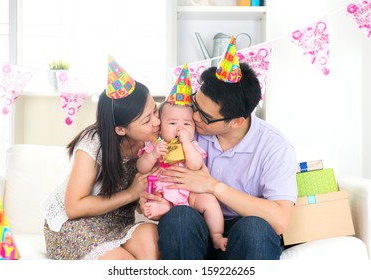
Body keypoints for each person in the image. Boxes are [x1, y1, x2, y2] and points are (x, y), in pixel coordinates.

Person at [141, 37, 298, 260]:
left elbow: (280, 220)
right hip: (195, 223)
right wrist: (156, 200)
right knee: (179, 217)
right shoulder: (184, 127)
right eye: (195, 104)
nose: (193, 117)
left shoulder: (275, 147)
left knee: (255, 229)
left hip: (243, 233)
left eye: (204, 116)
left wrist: (213, 186)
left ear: (236, 122)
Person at [42, 56, 160, 260]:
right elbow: (74, 208)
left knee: (151, 237)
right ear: (121, 129)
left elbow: (142, 200)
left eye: (155, 111)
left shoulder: (151, 143)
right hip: (75, 225)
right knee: (125, 264)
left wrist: (149, 201)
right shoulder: (94, 144)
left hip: (118, 223)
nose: (157, 122)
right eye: (147, 120)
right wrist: (132, 193)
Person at [136, 64, 228, 251]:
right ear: (160, 126)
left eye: (187, 123)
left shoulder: (192, 146)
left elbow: (195, 165)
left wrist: (186, 144)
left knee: (210, 202)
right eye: (172, 123)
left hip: (191, 193)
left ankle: (216, 235)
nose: (180, 128)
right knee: (155, 203)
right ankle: (166, 209)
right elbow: (142, 167)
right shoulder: (155, 145)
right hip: (166, 192)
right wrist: (154, 154)